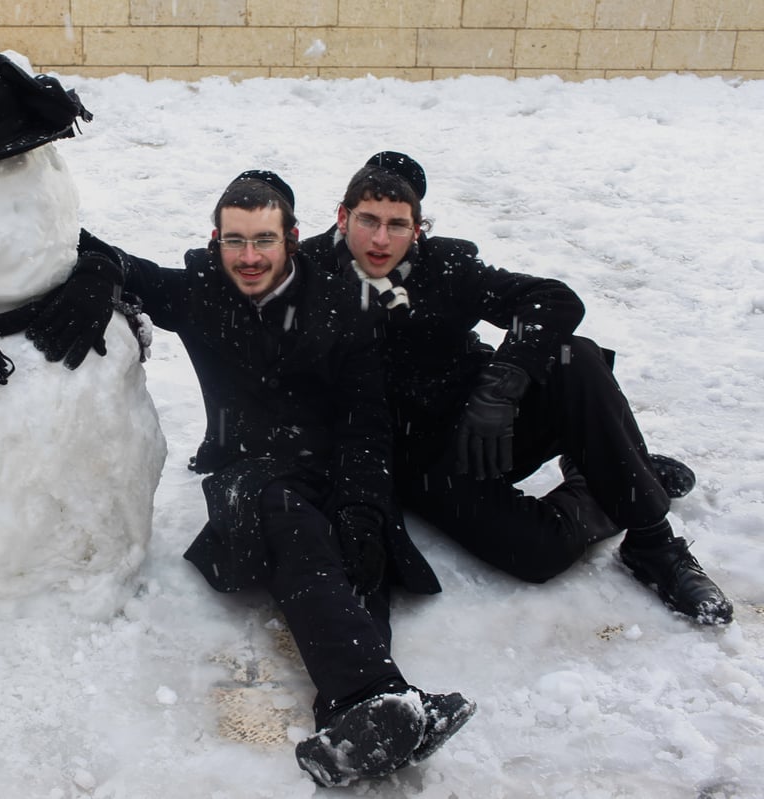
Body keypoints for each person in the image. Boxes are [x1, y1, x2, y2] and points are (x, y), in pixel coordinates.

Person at [113, 171, 474, 786]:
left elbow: (367, 424)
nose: (249, 257)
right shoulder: (199, 291)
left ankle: (353, 722)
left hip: (332, 471)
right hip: (249, 477)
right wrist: (100, 271)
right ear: (215, 240)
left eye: (263, 240)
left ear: (293, 239)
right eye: (234, 241)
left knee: (353, 555)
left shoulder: (340, 304)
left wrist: (363, 507)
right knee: (287, 516)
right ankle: (378, 696)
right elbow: (104, 256)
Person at [301, 152, 733, 625]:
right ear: (343, 216)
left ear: (418, 227)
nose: (382, 239)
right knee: (538, 554)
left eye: (398, 224)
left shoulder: (446, 265)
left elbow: (554, 300)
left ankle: (653, 543)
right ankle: (614, 474)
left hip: (490, 422)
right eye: (368, 220)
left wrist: (503, 384)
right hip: (424, 462)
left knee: (575, 356)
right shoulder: (304, 277)